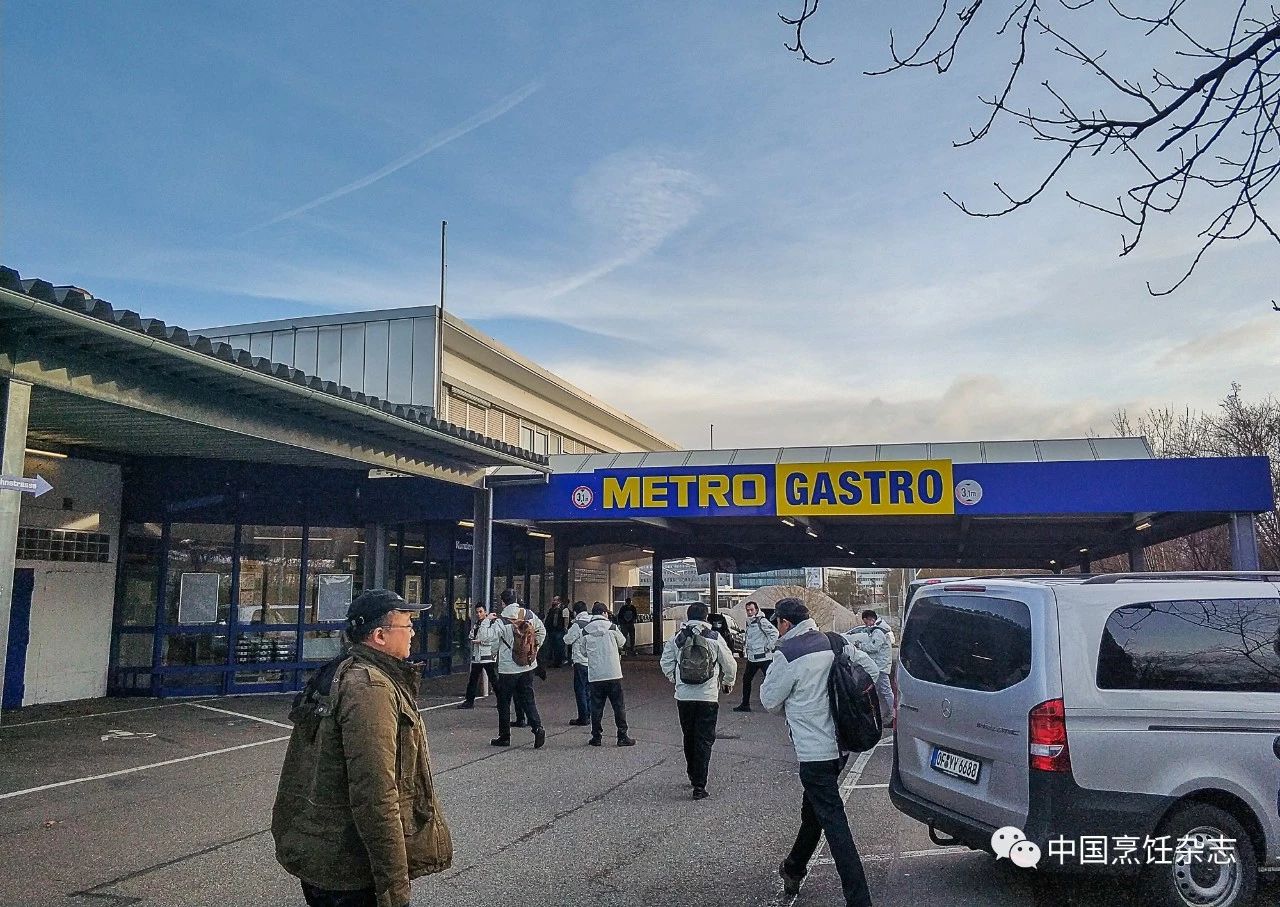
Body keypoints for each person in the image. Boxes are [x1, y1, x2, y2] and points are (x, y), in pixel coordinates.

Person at [273, 588, 452, 907]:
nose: (413, 633)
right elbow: (375, 795)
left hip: (329, 857)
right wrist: (394, 889)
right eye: (407, 625)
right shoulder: (370, 688)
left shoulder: (349, 672)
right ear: (380, 636)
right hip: (349, 870)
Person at [761, 597, 879, 907]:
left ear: (785, 623)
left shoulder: (788, 653)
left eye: (778, 624)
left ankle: (859, 899)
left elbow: (770, 701)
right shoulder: (836, 642)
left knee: (834, 823)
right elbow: (871, 670)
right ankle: (794, 867)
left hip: (814, 753)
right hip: (841, 748)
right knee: (814, 813)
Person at [659, 602, 737, 800]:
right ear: (706, 617)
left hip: (684, 697)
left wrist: (675, 679)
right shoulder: (714, 637)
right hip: (707, 697)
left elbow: (665, 662)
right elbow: (730, 664)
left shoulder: (678, 637)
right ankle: (699, 786)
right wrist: (727, 682)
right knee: (704, 739)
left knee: (689, 736)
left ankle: (692, 773)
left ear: (688, 616)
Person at [578, 602, 635, 746]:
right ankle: (622, 736)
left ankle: (596, 737)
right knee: (618, 706)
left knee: (596, 708)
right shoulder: (612, 627)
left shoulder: (585, 631)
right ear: (604, 613)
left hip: (596, 675)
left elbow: (583, 652)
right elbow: (622, 642)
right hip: (613, 673)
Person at [846, 609, 895, 725]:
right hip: (881, 665)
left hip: (880, 666)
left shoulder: (878, 631)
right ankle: (886, 715)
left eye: (866, 622)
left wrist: (860, 645)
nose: (866, 625)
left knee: (885, 691)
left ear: (870, 619)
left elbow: (874, 647)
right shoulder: (880, 629)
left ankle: (893, 714)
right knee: (881, 692)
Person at [734, 600, 779, 712]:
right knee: (746, 680)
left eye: (751, 610)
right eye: (747, 610)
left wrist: (769, 646)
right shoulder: (750, 622)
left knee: (770, 681)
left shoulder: (761, 621)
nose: (749, 612)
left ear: (756, 610)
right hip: (753, 658)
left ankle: (776, 704)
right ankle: (745, 704)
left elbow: (774, 633)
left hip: (764, 657)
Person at [458, 604, 499, 709]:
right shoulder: (477, 624)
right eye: (477, 612)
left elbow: (492, 638)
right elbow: (472, 635)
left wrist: (481, 641)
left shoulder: (491, 623)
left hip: (487, 656)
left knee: (493, 679)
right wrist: (474, 639)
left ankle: (501, 701)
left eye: (481, 612)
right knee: (473, 679)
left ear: (485, 612)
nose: (478, 614)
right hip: (477, 656)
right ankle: (469, 701)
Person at [561, 601, 592, 726]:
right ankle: (590, 713)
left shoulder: (577, 625)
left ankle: (583, 717)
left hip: (580, 660)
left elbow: (567, 640)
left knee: (580, 689)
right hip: (592, 660)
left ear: (575, 612)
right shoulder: (593, 621)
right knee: (589, 689)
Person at [543, 594, 568, 668]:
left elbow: (566, 620)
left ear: (559, 601)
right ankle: (552, 661)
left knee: (559, 646)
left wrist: (565, 628)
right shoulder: (552, 609)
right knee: (552, 645)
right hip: (552, 629)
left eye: (555, 600)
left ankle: (558, 661)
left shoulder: (563, 609)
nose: (553, 601)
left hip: (559, 630)